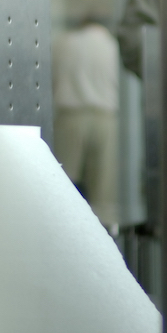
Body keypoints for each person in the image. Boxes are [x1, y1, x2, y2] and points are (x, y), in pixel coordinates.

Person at [51, 18, 122, 231]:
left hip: (70, 116)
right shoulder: (111, 45)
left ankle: (64, 232)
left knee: (65, 186)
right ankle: (104, 238)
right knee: (102, 191)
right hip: (104, 117)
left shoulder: (63, 43)